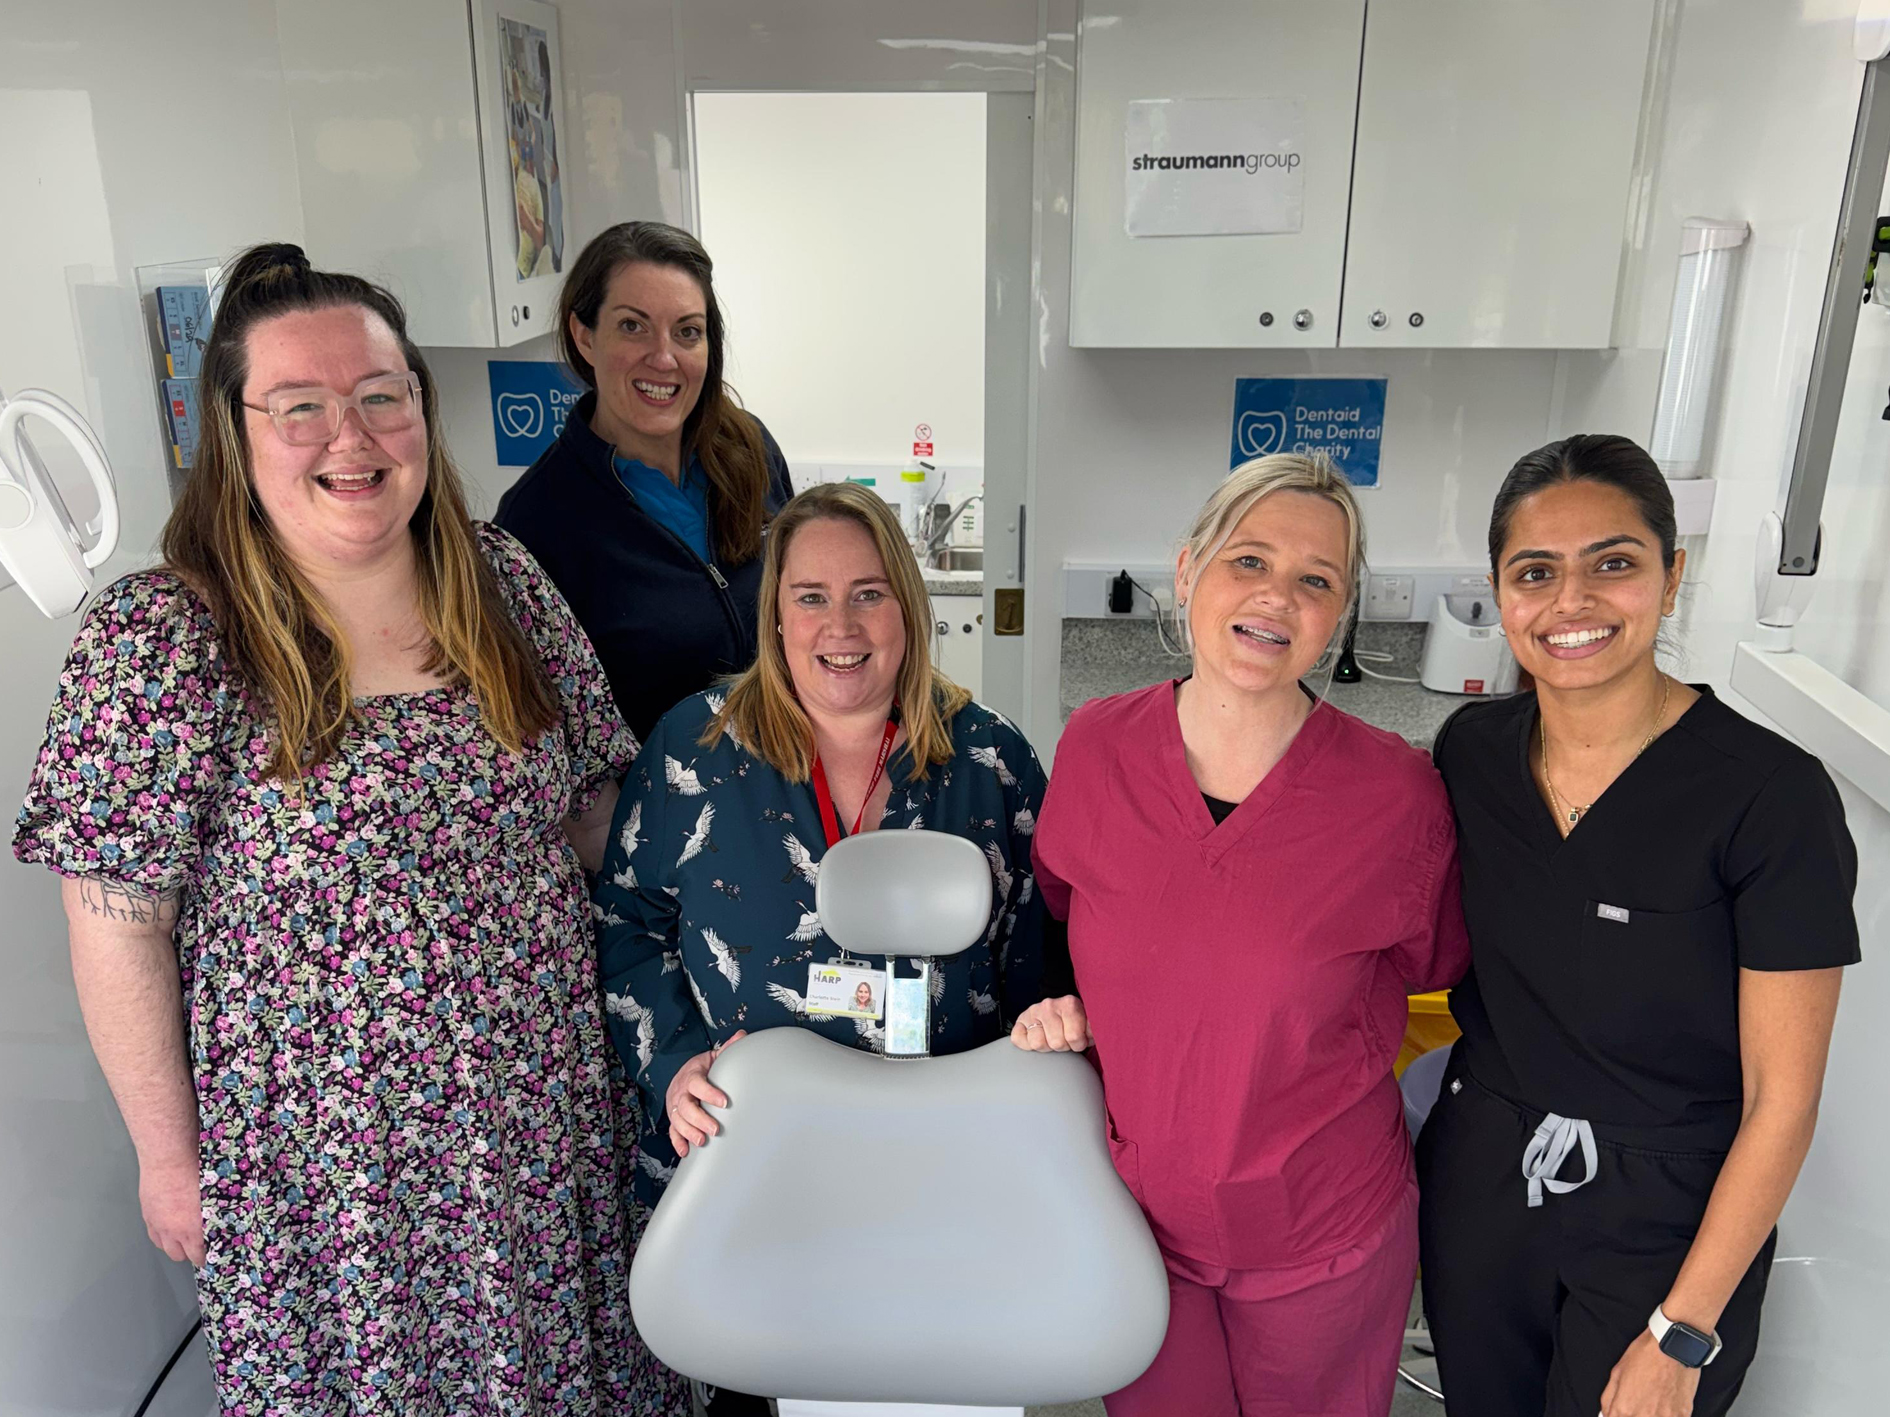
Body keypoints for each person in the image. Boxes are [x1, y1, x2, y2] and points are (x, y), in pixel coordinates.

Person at [12, 243, 682, 1415]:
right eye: (302, 408)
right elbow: (117, 925)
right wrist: (172, 1161)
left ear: (420, 407)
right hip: (323, 1169)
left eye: (382, 398)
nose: (352, 438)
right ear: (236, 430)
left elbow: (595, 816)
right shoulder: (165, 637)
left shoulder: (501, 581)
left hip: (539, 1121)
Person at [1016, 453, 1471, 1417]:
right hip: (1138, 1226)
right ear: (1189, 571)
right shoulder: (1097, 747)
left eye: (1317, 580)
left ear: (1340, 612)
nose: (1277, 597)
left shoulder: (1395, 797)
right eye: (1249, 559)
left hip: (1323, 1232)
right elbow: (1068, 917)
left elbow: (1436, 967)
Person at [1417, 435, 1859, 1417]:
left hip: (1671, 1216)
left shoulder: (1770, 798)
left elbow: (1781, 1103)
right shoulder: (1473, 755)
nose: (1571, 602)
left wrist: (1684, 1329)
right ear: (1501, 588)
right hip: (1484, 1174)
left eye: (1613, 563)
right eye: (1536, 572)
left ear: (1672, 574)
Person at [595, 479, 1052, 1414]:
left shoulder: (989, 761)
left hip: (935, 1175)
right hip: (750, 1166)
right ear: (775, 613)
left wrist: (1048, 1043)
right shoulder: (697, 747)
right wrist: (673, 1064)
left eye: (868, 592)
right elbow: (625, 922)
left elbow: (1043, 950)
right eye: (810, 595)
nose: (839, 623)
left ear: (908, 609)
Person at [497, 221, 795, 741]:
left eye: (687, 331)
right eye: (633, 326)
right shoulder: (534, 523)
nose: (664, 358)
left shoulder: (749, 448)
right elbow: (541, 730)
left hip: (790, 780)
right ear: (584, 335)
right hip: (660, 811)